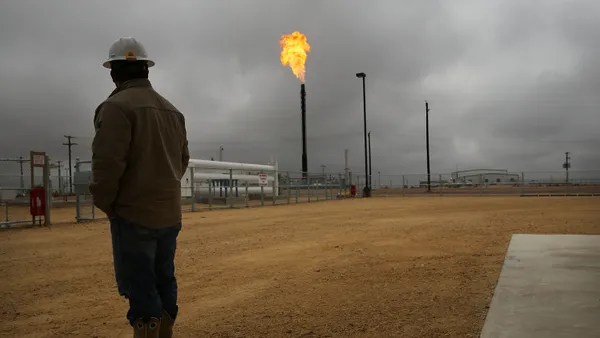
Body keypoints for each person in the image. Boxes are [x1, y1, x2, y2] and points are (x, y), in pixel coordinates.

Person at [90, 36, 190, 338]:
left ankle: (147, 329)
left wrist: (108, 203)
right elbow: (182, 160)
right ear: (147, 69)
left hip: (133, 215)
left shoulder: (115, 107)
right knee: (164, 276)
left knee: (140, 283)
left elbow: (107, 166)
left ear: (113, 72)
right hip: (169, 215)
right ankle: (165, 328)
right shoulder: (173, 111)